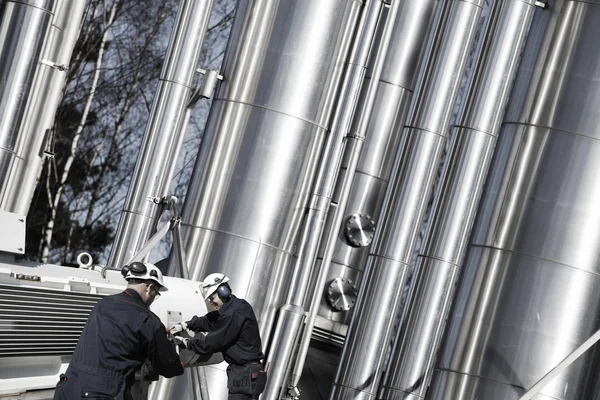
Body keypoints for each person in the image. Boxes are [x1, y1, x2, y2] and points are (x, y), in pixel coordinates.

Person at [53, 262, 184, 400]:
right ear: (149, 287)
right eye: (156, 293)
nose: (153, 298)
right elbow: (167, 367)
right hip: (101, 394)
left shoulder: (101, 304)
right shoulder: (149, 320)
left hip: (68, 388)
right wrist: (177, 364)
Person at [170, 273, 266, 399]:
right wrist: (187, 324)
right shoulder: (238, 305)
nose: (211, 302)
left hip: (244, 375)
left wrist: (187, 342)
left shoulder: (232, 314)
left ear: (223, 291)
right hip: (247, 373)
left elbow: (210, 345)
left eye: (212, 297)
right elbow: (211, 320)